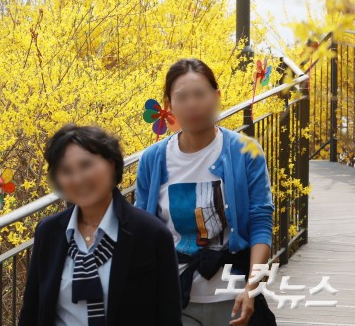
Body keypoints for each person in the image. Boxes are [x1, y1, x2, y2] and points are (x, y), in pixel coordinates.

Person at [135, 58, 276, 326]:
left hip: (233, 297)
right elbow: (144, 231)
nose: (192, 104)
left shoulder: (245, 152)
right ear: (170, 105)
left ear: (217, 97)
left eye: (200, 94)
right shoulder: (153, 159)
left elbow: (260, 223)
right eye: (182, 97)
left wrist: (252, 287)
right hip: (174, 298)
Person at [18, 124, 183, 326]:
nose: (78, 179)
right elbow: (32, 310)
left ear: (112, 164)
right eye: (66, 171)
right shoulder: (49, 232)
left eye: (86, 165)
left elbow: (168, 316)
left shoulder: (150, 234)